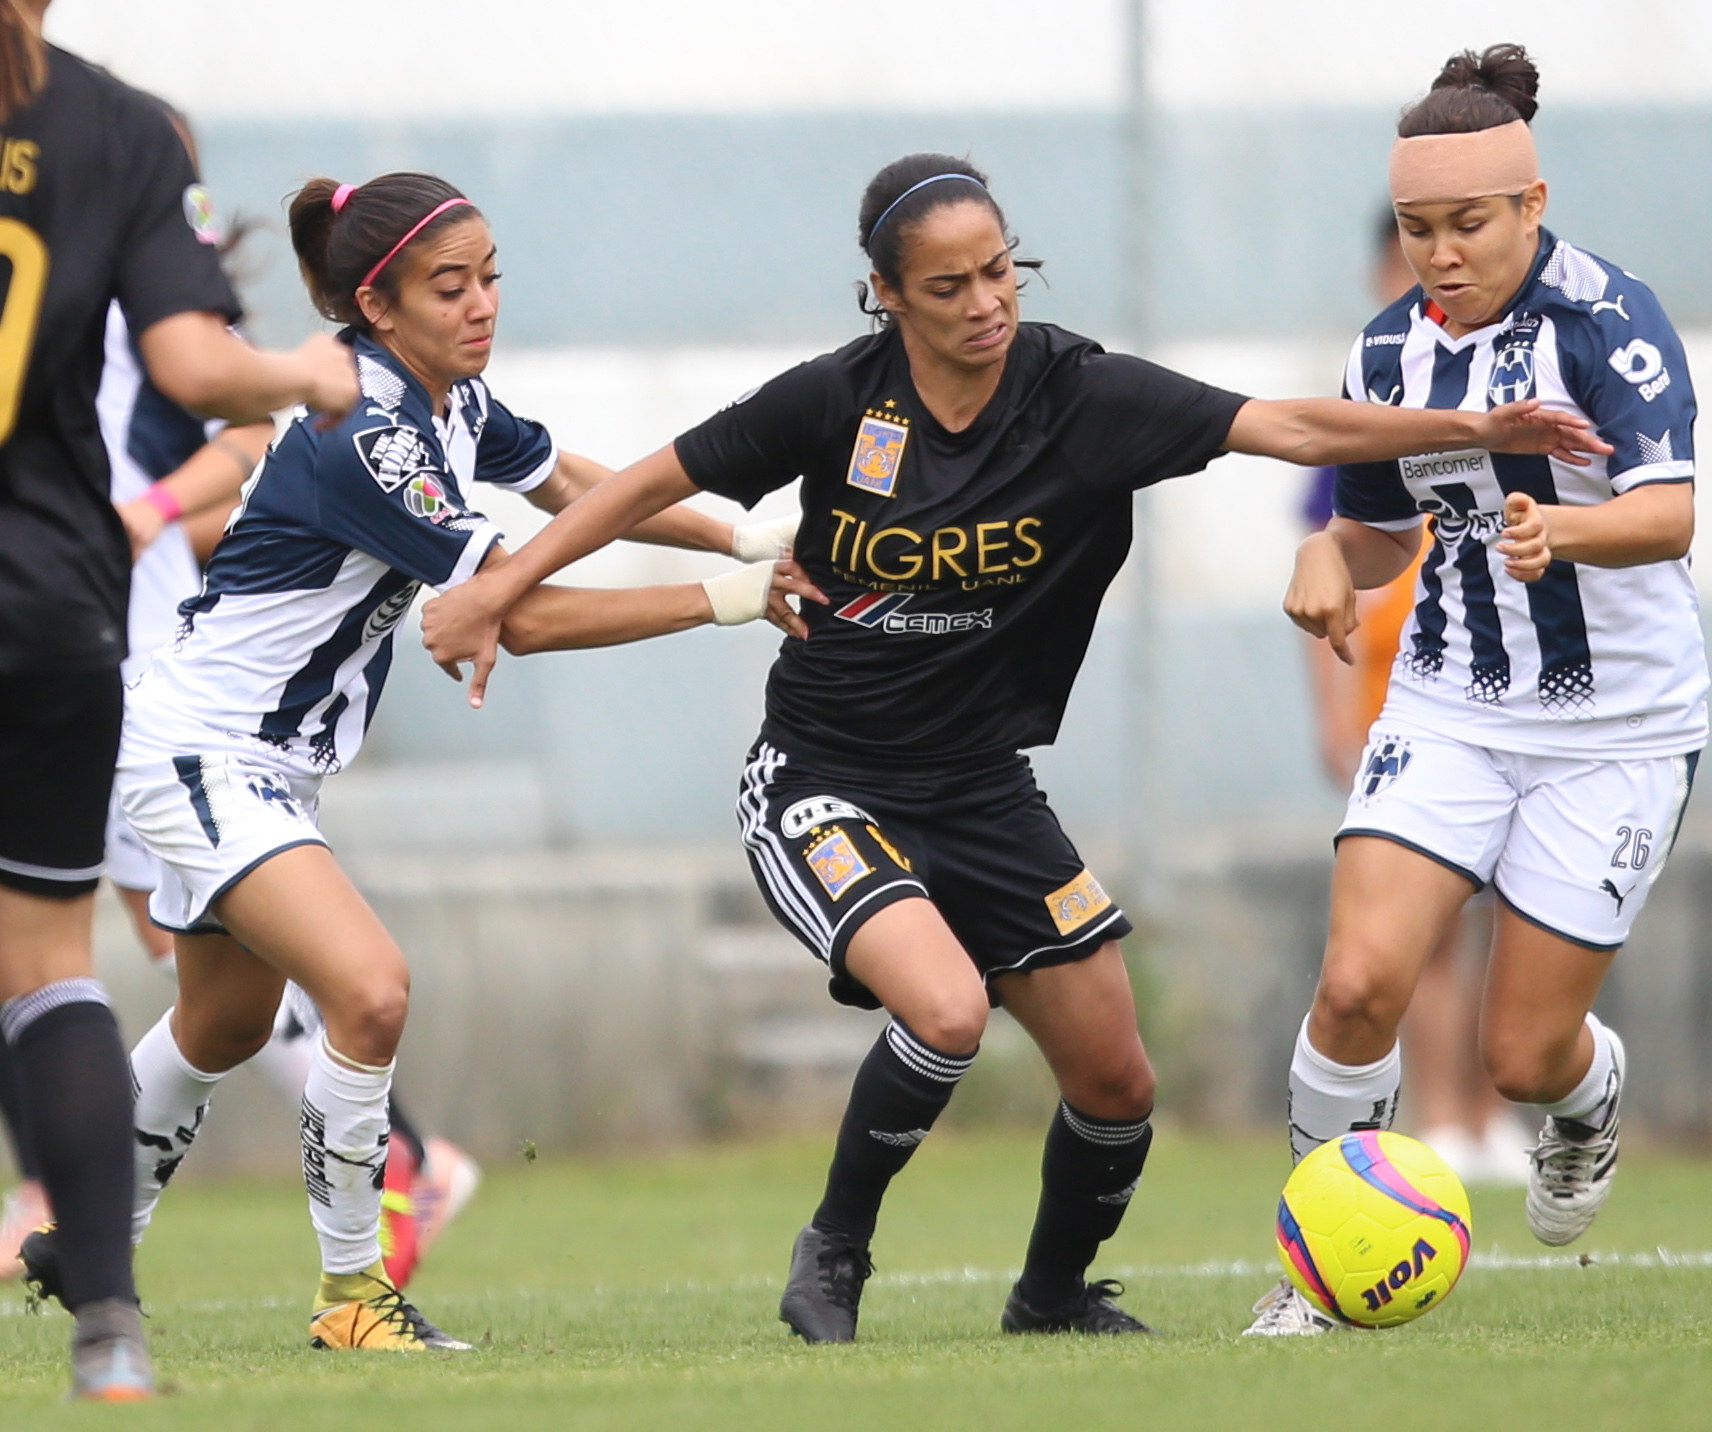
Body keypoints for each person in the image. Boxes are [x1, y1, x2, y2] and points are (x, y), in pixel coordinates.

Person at [417, 152, 1605, 1344]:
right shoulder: (835, 399)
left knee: (1118, 1079)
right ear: (885, 294)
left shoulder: (1083, 397)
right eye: (949, 287)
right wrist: (501, 586)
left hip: (983, 787)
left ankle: (1048, 1301)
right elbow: (639, 487)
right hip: (823, 777)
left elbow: (1285, 423)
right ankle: (833, 1250)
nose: (987, 303)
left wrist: (1467, 425)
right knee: (943, 1011)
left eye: (1001, 271)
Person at [19, 169, 814, 1352]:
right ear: (376, 309)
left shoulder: (447, 397)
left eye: (491, 276)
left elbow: (578, 492)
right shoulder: (369, 433)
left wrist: (739, 526)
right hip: (201, 747)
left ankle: (84, 1240)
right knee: (370, 989)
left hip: (253, 760)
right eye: (453, 286)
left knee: (224, 1027)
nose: (482, 303)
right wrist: (729, 597)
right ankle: (353, 1299)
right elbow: (516, 610)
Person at [1247, 44, 1705, 1336]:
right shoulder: (1386, 354)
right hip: (1449, 704)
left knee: (1517, 1057)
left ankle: (1584, 1092)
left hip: (1615, 727)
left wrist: (1562, 531)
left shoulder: (1610, 325)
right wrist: (1324, 556)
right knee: (1353, 986)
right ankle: (1313, 1280)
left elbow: (1666, 514)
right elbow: (1382, 530)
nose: (1438, 254)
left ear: (1530, 207)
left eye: (1467, 224)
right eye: (1415, 228)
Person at [0, 0, 364, 1398]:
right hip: (51, 599)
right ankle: (110, 1330)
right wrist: (308, 373)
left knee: (164, 950)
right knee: (49, 963)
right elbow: (200, 366)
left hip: (114, 615)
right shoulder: (119, 126)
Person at [1298, 205, 1527, 1189]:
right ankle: (1440, 1116)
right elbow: (1331, 561)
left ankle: (1490, 1110)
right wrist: (1334, 716)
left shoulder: (1513, 382)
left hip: (1504, 690)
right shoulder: (1373, 395)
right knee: (1419, 932)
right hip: (1402, 692)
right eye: (1406, 248)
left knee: (1508, 911)